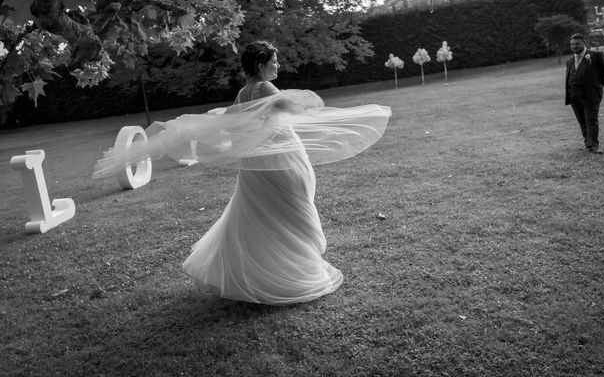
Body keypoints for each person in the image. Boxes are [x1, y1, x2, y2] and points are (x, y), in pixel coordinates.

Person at [93, 41, 391, 305]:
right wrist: (309, 99)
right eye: (274, 61)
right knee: (291, 211)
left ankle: (268, 270)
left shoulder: (244, 91)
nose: (278, 64)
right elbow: (293, 109)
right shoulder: (264, 88)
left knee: (262, 215)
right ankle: (295, 272)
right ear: (261, 65)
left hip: (256, 165)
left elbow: (232, 122)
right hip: (279, 160)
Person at [565, 33, 604, 154]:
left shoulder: (596, 56)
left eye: (577, 44)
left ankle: (594, 146)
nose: (574, 46)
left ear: (583, 43)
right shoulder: (570, 60)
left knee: (591, 120)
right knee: (582, 121)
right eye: (572, 44)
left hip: (591, 95)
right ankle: (587, 143)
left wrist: (597, 85)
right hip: (575, 97)